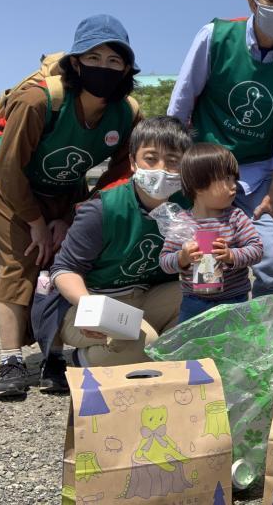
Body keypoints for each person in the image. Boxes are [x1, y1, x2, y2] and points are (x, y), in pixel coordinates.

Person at [0, 14, 142, 398]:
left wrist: (72, 216)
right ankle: (10, 359)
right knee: (21, 256)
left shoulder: (127, 114)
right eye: (94, 57)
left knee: (62, 261)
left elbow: (119, 173)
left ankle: (53, 353)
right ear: (76, 62)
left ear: (127, 69)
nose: (104, 67)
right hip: (4, 175)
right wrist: (34, 219)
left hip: (64, 183)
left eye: (114, 61)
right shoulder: (40, 100)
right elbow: (9, 165)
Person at [167, 0, 273, 297]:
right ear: (253, 1)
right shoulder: (215, 36)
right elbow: (181, 104)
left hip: (257, 176)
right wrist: (177, 172)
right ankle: (202, 325)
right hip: (206, 170)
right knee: (202, 259)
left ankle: (268, 335)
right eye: (272, 0)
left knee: (271, 258)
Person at [31, 116, 192, 392]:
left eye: (173, 161)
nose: (162, 169)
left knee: (196, 303)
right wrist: (90, 308)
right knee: (147, 343)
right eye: (150, 159)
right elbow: (64, 270)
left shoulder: (186, 207)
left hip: (142, 297)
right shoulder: (103, 209)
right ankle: (81, 359)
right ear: (132, 162)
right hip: (88, 303)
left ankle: (140, 361)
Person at [158, 143, 263, 323]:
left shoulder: (235, 217)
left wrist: (231, 255)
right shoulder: (182, 222)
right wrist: (183, 258)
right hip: (194, 303)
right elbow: (164, 261)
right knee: (193, 346)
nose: (234, 186)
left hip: (234, 302)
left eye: (234, 179)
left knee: (233, 346)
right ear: (198, 186)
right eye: (226, 179)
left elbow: (257, 250)